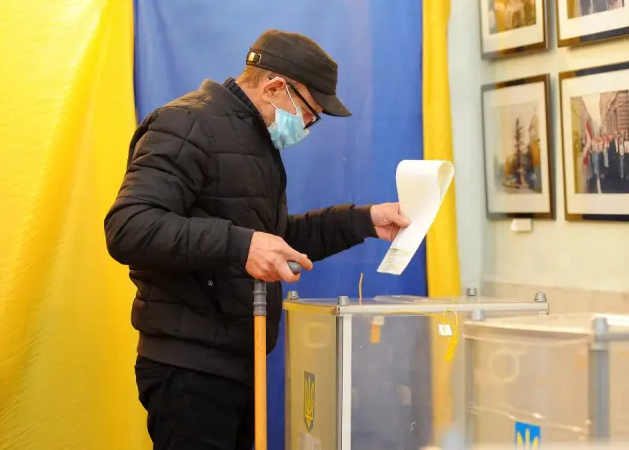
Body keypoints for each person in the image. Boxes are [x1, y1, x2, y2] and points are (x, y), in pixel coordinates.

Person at [103, 29, 411, 450]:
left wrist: (363, 221)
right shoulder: (187, 123)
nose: (308, 125)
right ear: (274, 87)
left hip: (237, 364)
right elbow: (129, 227)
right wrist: (242, 245)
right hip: (191, 372)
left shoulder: (252, 139)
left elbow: (274, 240)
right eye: (309, 112)